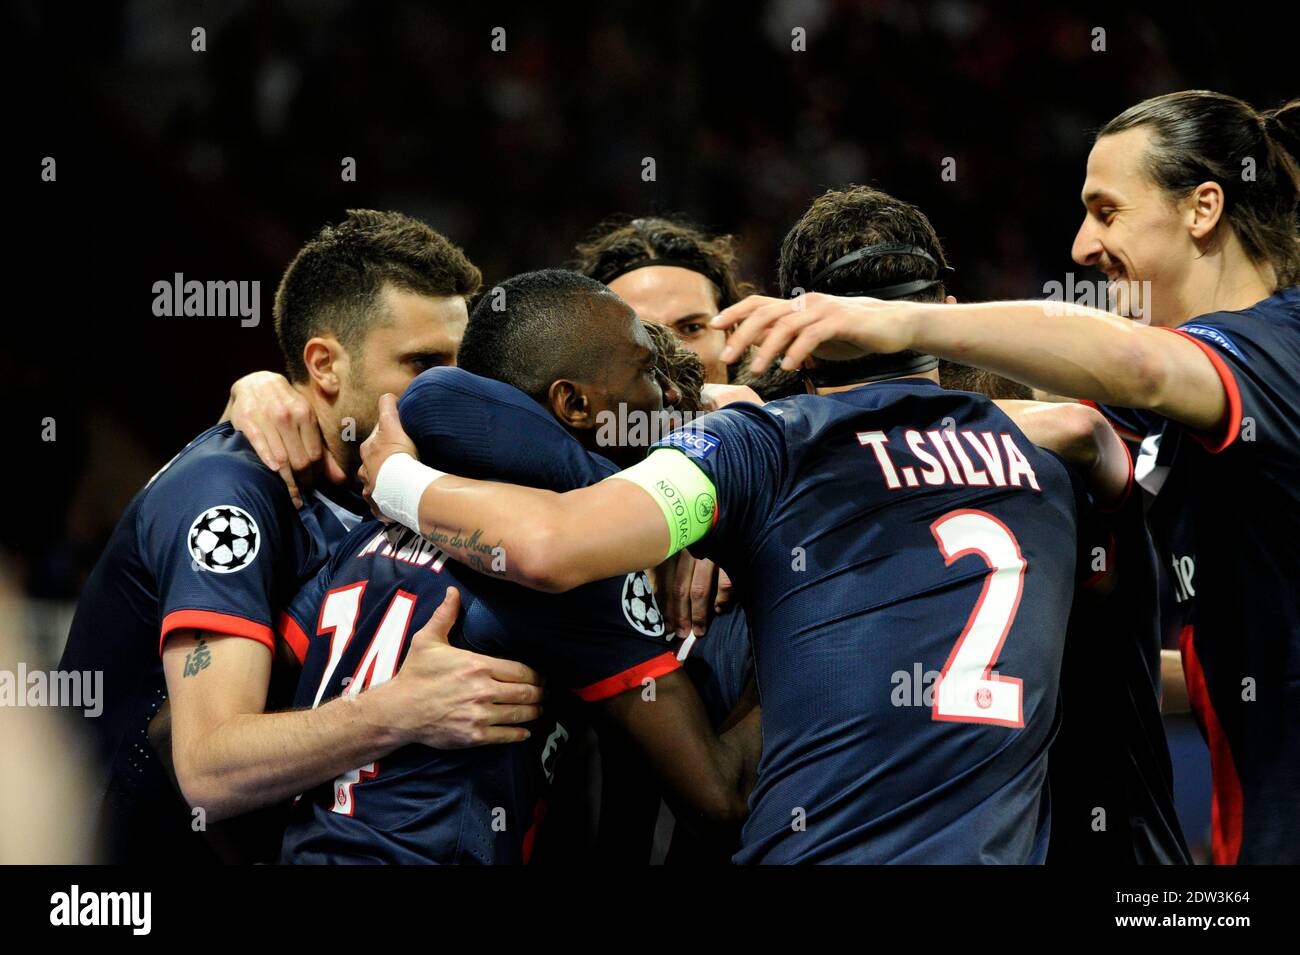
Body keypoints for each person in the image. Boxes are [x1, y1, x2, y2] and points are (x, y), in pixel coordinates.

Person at [357, 239, 1130, 863]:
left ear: (764, 335)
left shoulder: (764, 458)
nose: (671, 369)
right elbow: (458, 421)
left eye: (689, 332)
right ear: (571, 397)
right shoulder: (726, 466)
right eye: (645, 349)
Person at [713, 91, 1300, 865]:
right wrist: (754, 451)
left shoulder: (1279, 347)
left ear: (1203, 208)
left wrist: (903, 323)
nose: (1083, 244)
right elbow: (1033, 426)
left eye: (1106, 210)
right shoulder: (1158, 417)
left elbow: (1138, 364)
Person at [58, 210, 541, 863]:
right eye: (422, 363)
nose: (451, 390)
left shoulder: (386, 474)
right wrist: (401, 709)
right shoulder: (228, 496)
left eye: (462, 365)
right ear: (324, 364)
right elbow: (207, 769)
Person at [280, 271, 760, 863]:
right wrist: (792, 633)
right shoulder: (578, 574)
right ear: (575, 403)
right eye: (645, 370)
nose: (661, 393)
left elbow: (189, 734)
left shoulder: (374, 528)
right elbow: (719, 801)